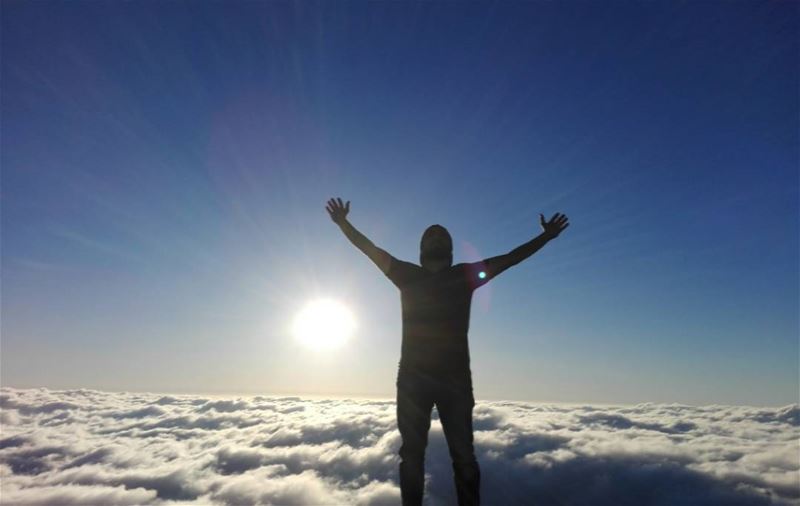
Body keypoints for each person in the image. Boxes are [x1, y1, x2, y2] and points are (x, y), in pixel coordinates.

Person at [325, 197, 569, 506]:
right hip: (413, 379)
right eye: (431, 235)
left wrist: (545, 237)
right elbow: (370, 249)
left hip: (454, 380)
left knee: (464, 456)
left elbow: (511, 258)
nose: (437, 237)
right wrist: (343, 224)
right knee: (411, 457)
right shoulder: (405, 274)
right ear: (422, 247)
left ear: (450, 249)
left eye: (442, 235)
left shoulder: (466, 276)